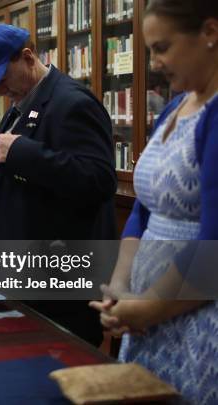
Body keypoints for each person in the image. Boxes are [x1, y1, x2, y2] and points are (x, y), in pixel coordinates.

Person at [0, 25, 117, 346]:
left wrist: (24, 152)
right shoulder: (22, 105)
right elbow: (0, 190)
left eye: (3, 79)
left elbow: (99, 181)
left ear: (27, 57)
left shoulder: (72, 103)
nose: (0, 91)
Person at [90, 1, 218, 402]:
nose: (155, 62)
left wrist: (147, 308)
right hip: (149, 313)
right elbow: (144, 209)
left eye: (162, 47)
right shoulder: (175, 108)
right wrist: (122, 284)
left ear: (210, 33)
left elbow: (213, 249)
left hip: (194, 320)